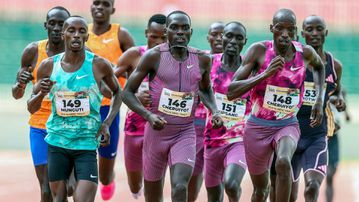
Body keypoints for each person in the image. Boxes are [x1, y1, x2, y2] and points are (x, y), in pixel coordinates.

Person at [122, 10, 223, 202]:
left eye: (185, 28)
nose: (180, 32)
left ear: (191, 33)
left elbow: (206, 89)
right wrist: (148, 116)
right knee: (153, 197)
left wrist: (215, 110)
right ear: (166, 31)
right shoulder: (153, 56)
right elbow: (127, 92)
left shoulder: (202, 59)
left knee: (179, 187)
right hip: (156, 133)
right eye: (174, 28)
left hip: (185, 132)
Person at [227, 8, 325, 202]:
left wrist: (319, 101)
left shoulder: (304, 53)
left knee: (283, 161)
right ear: (272, 29)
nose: (285, 34)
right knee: (261, 191)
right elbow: (231, 91)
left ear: (296, 31)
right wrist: (265, 74)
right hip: (257, 126)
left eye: (290, 30)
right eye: (280, 29)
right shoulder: (259, 51)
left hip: (287, 124)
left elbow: (320, 67)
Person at [27, 16, 121, 202]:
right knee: (59, 198)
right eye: (71, 30)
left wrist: (107, 123)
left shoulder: (98, 65)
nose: (76, 35)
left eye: (81, 31)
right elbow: (31, 106)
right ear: (63, 35)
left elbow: (119, 93)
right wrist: (40, 94)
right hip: (57, 144)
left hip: (86, 144)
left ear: (87, 36)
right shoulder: (48, 66)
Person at [11, 7, 70, 202]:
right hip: (39, 126)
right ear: (45, 25)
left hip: (69, 127)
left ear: (68, 28)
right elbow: (17, 94)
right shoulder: (33, 51)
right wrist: (20, 83)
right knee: (46, 189)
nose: (56, 28)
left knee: (67, 189)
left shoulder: (79, 53)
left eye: (61, 24)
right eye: (52, 23)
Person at [288, 15, 346, 202]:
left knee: (312, 187)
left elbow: (334, 92)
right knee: (287, 192)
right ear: (302, 33)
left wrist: (337, 100)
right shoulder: (293, 63)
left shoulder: (335, 65)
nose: (314, 33)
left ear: (326, 32)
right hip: (290, 132)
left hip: (317, 133)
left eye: (319, 29)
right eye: (309, 29)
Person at [114, 13, 167, 199]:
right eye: (154, 36)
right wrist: (134, 95)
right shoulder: (134, 55)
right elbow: (110, 82)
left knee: (154, 181)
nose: (158, 41)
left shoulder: (174, 60)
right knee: (135, 183)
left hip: (160, 128)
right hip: (134, 127)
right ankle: (137, 191)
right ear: (146, 33)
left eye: (163, 37)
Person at [86, 0, 135, 199]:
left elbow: (136, 65)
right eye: (96, 3)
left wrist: (133, 89)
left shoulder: (121, 34)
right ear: (90, 7)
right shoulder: (81, 32)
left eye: (105, 4)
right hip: (83, 108)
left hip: (109, 108)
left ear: (112, 10)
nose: (99, 7)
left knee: (104, 175)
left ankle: (108, 180)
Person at [204, 21, 248, 202]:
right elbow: (201, 89)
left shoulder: (250, 67)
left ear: (244, 42)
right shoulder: (209, 63)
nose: (232, 41)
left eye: (238, 38)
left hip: (240, 140)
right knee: (214, 197)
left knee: (231, 184)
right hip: (212, 139)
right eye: (229, 36)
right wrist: (214, 110)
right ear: (222, 38)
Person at [188, 20, 225, 202]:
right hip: (198, 123)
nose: (219, 38)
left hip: (224, 126)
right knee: (193, 173)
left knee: (220, 176)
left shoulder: (241, 65)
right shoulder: (200, 60)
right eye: (214, 34)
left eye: (222, 34)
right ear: (207, 37)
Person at [326, 89, 350, 202]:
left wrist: (346, 114)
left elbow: (344, 107)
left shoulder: (341, 91)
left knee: (331, 174)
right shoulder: (319, 86)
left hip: (333, 136)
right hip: (320, 136)